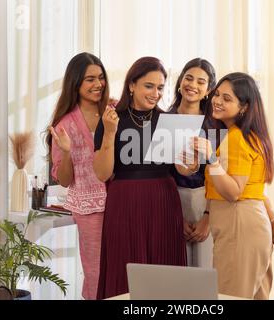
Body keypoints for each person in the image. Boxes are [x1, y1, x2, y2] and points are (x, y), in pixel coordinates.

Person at [93, 57, 186, 300]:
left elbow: (183, 170)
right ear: (131, 85)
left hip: (163, 200)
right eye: (149, 86)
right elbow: (103, 173)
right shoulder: (111, 120)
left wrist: (193, 160)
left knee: (164, 269)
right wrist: (110, 134)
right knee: (124, 268)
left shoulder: (168, 121)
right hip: (124, 201)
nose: (156, 93)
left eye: (160, 87)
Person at [192, 72, 274, 299]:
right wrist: (272, 217)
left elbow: (234, 192)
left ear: (243, 107)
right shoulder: (253, 135)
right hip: (253, 223)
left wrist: (211, 160)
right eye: (217, 95)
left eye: (227, 98)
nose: (217, 101)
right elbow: (254, 188)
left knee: (228, 297)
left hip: (238, 224)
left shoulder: (236, 138)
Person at [46, 52, 111, 300]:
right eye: (90, 79)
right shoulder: (64, 124)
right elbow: (63, 179)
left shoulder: (113, 111)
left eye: (101, 78)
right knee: (95, 272)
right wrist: (66, 151)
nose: (98, 84)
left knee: (122, 267)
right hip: (88, 208)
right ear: (76, 83)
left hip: (120, 201)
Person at [169, 58, 216, 268]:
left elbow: (218, 174)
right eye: (188, 78)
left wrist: (208, 217)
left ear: (208, 90)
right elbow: (159, 172)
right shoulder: (163, 119)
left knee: (206, 272)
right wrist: (174, 216)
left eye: (201, 82)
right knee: (177, 274)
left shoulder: (213, 124)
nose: (193, 85)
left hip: (205, 201)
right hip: (171, 202)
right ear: (180, 82)